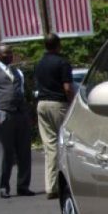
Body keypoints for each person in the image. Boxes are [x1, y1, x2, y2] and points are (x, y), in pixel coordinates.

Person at [0, 44, 33, 199]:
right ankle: (3, 187)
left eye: (10, 53)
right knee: (4, 152)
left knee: (24, 151)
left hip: (20, 113)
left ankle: (23, 185)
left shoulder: (17, 71)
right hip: (3, 113)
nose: (10, 55)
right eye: (6, 53)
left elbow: (20, 91)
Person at [34, 33, 73, 199]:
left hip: (41, 104)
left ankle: (51, 186)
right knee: (65, 143)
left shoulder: (39, 64)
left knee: (50, 145)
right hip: (58, 104)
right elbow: (67, 87)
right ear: (58, 45)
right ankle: (67, 183)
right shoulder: (62, 63)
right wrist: (72, 104)